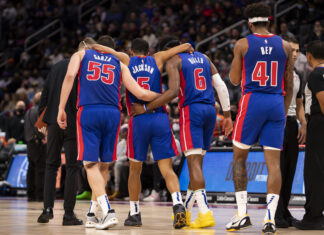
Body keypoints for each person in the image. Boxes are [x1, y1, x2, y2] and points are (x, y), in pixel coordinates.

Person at [57, 36, 160, 230]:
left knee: (89, 165)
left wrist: (61, 108)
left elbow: (70, 76)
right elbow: (141, 93)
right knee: (103, 167)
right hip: (113, 114)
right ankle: (92, 214)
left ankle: (107, 211)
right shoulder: (119, 63)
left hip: (89, 111)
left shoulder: (82, 54)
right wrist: (165, 95)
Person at [132, 37, 233, 228]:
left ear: (169, 50)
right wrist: (227, 115)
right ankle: (186, 212)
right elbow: (220, 85)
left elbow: (172, 92)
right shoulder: (204, 58)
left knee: (193, 163)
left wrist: (147, 108)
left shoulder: (174, 60)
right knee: (197, 163)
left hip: (192, 111)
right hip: (211, 110)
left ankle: (204, 212)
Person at [225, 3, 294, 234]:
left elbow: (234, 80)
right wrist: (283, 111)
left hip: (252, 101)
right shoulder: (284, 45)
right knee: (274, 164)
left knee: (239, 158)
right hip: (276, 101)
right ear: (270, 20)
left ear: (249, 23)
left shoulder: (243, 44)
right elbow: (290, 84)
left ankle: (242, 213)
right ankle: (270, 219)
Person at [123, 38, 193, 228]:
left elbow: (109, 54)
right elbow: (184, 46)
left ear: (131, 51)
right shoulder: (157, 58)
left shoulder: (127, 61)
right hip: (160, 117)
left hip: (139, 119)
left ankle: (135, 213)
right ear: (148, 51)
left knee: (135, 169)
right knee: (166, 168)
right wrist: (188, 47)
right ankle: (178, 205)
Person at [37, 40, 88, 225]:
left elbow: (44, 94)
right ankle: (68, 215)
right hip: (74, 121)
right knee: (73, 167)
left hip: (53, 121)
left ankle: (47, 209)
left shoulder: (57, 66)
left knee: (51, 165)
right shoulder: (84, 67)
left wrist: (43, 122)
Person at [275, 36, 307, 228]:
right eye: (292, 50)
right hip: (277, 123)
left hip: (292, 124)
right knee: (277, 170)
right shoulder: (276, 71)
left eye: (297, 50)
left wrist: (303, 124)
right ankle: (276, 212)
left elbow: (300, 103)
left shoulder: (297, 74)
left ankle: (284, 211)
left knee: (289, 171)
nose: (295, 54)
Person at [295, 40, 324, 230]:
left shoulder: (317, 73)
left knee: (315, 171)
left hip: (319, 125)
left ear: (310, 56)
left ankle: (314, 216)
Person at [24, 92, 46, 202]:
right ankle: (40, 195)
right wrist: (44, 137)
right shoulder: (39, 110)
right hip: (37, 143)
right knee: (40, 169)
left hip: (29, 143)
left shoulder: (28, 111)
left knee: (31, 170)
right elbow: (38, 126)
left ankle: (30, 194)